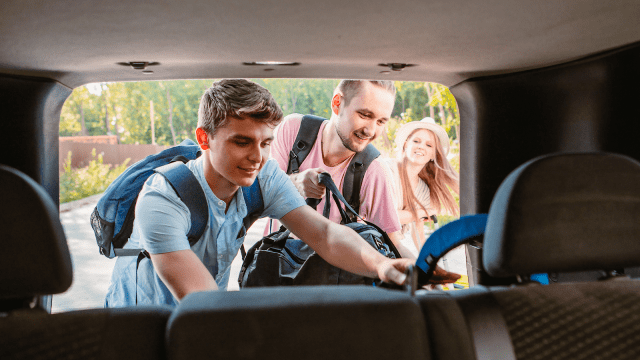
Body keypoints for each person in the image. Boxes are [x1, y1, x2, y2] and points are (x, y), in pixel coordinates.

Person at [104, 79, 412, 307]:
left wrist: (380, 264)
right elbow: (205, 306)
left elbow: (324, 235)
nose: (257, 157)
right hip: (139, 325)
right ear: (204, 138)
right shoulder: (162, 199)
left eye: (265, 143)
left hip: (203, 319)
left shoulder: (263, 177)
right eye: (242, 142)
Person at [265, 80, 402, 241]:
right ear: (337, 103)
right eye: (364, 115)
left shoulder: (375, 170)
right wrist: (295, 183)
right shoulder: (292, 130)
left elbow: (393, 244)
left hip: (332, 265)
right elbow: (258, 195)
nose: (370, 131)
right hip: (275, 260)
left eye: (381, 122)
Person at [385, 117, 460, 258]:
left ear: (433, 155)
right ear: (406, 145)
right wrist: (424, 211)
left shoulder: (423, 189)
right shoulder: (387, 171)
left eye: (429, 145)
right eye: (416, 141)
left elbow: (418, 233)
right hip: (372, 242)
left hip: (391, 247)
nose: (421, 147)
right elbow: (388, 217)